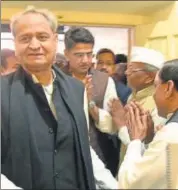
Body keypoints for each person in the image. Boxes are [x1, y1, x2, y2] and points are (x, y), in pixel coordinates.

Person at [1, 7, 96, 189]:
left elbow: (83, 147)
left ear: (54, 40)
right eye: (25, 38)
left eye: (42, 37)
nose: (35, 45)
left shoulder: (77, 89)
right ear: (15, 44)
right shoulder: (3, 92)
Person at [62, 27, 120, 177]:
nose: (86, 60)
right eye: (79, 55)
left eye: (89, 54)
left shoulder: (104, 80)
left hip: (98, 153)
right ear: (66, 54)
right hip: (63, 155)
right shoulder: (55, 77)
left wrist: (90, 104)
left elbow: (113, 125)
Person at [118, 59, 178, 189]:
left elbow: (130, 183)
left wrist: (136, 141)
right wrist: (151, 139)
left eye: (156, 86)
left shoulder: (171, 134)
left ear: (169, 88)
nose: (154, 94)